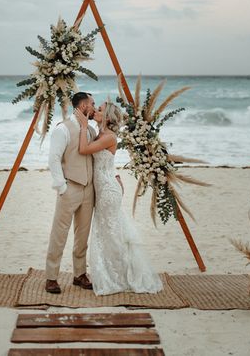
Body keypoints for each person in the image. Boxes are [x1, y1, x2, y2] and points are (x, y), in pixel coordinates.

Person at [74, 101, 163, 295]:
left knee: (110, 234)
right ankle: (112, 272)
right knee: (108, 233)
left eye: (100, 110)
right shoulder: (100, 134)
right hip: (106, 186)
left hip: (107, 191)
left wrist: (82, 127)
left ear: (107, 117)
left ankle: (119, 276)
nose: (96, 110)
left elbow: (83, 150)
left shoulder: (109, 136)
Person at [44, 91, 96, 294]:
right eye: (92, 104)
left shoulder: (90, 130)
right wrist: (62, 187)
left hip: (88, 189)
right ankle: (51, 277)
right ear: (83, 106)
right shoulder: (62, 129)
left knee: (82, 235)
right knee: (59, 234)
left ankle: (79, 274)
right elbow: (53, 159)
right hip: (70, 188)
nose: (94, 107)